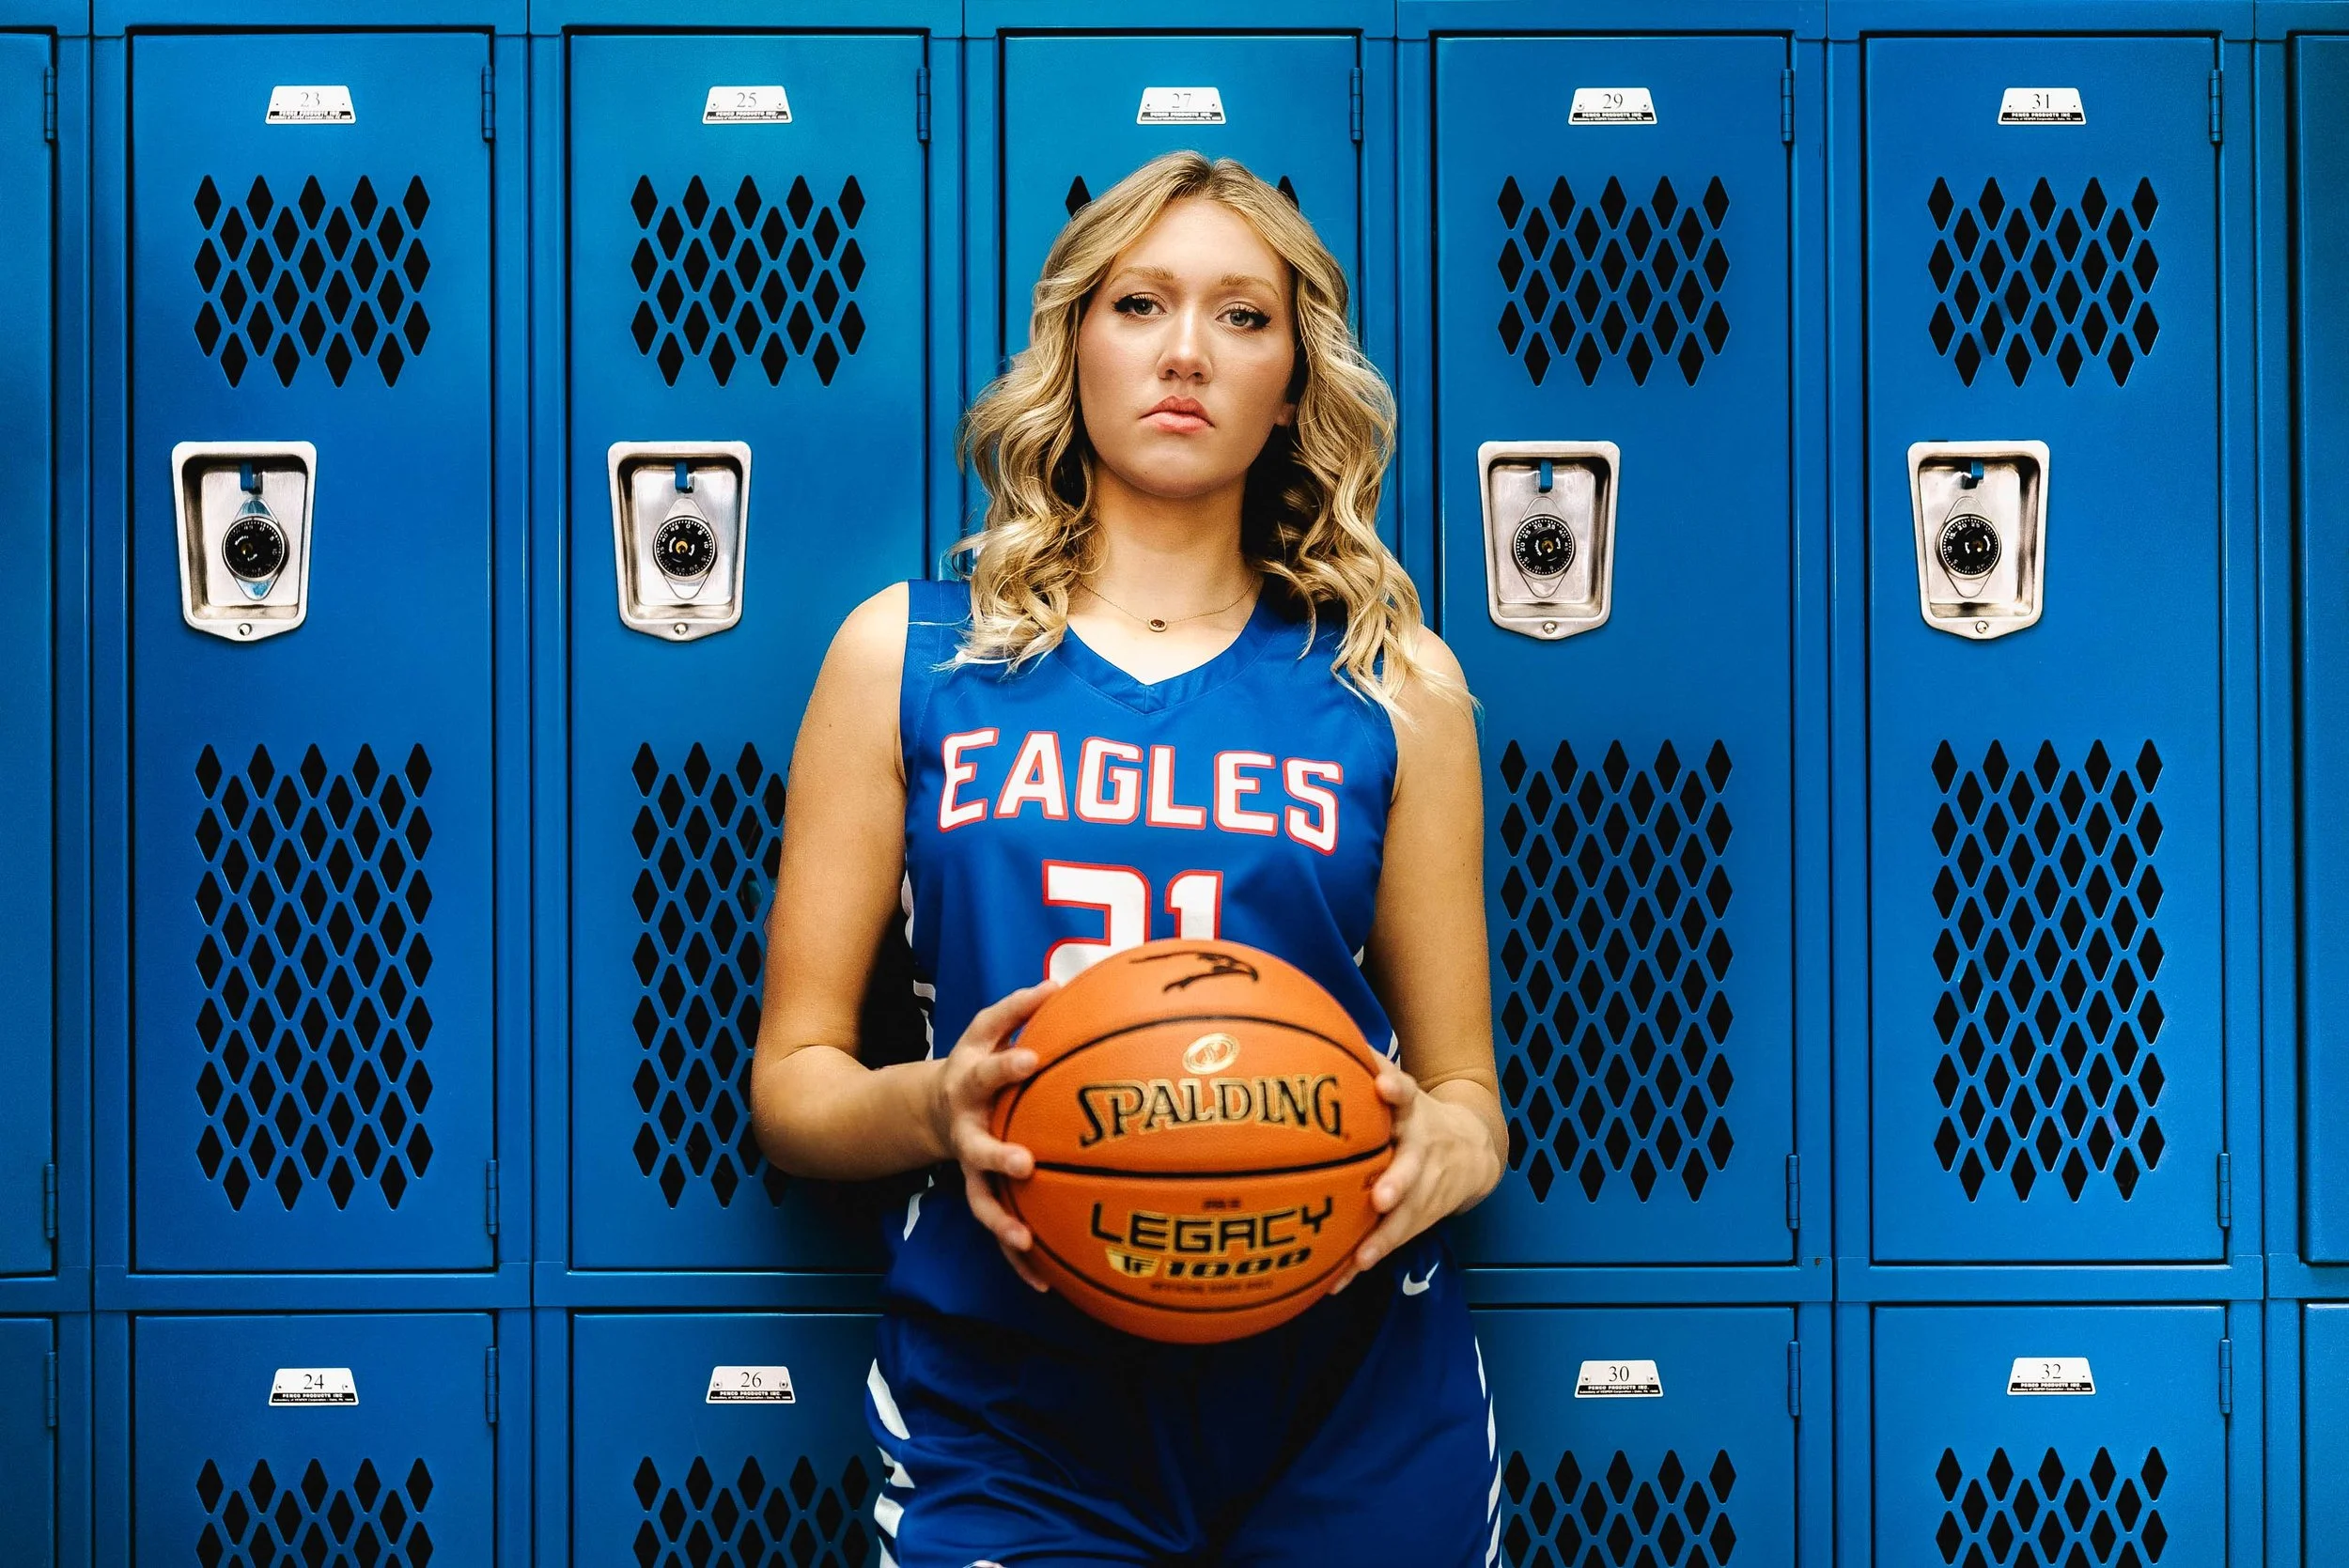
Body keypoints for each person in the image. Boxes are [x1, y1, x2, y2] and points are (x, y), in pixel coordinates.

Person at [751, 151, 1505, 1568]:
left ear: (1296, 379)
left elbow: (1470, 1092)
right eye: (1139, 303)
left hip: (1346, 1392)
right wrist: (942, 1107)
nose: (1183, 353)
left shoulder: (1395, 680)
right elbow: (795, 1088)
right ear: (1073, 345)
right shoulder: (909, 658)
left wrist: (1438, 1147)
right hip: (1017, 1398)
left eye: (1242, 316)